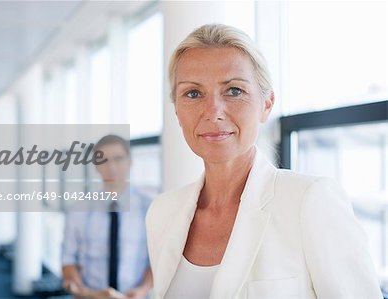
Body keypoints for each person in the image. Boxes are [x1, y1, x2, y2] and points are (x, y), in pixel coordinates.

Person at [145, 24, 382, 299]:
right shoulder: (162, 213)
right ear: (176, 109)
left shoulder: (310, 201)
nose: (213, 112)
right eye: (193, 94)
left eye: (234, 91)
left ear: (266, 104)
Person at [62, 135, 153, 299]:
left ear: (130, 161)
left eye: (118, 159)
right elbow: (68, 260)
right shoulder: (78, 209)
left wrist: (143, 290)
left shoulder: (150, 209)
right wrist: (83, 291)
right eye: (103, 160)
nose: (111, 166)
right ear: (96, 166)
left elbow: (156, 260)